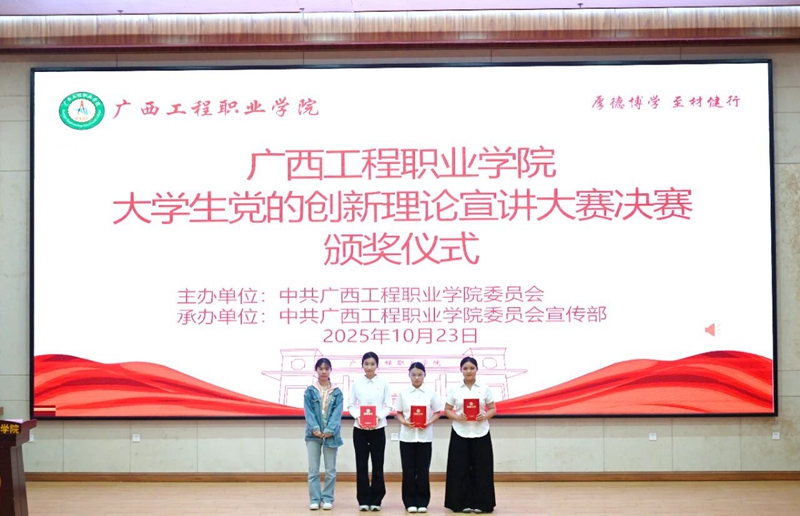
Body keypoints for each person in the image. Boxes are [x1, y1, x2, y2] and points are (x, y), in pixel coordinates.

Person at [444, 356, 497, 514]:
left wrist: (485, 416)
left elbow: (493, 409)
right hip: (460, 432)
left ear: (476, 370)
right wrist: (456, 417)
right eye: (465, 368)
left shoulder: (484, 388)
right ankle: (461, 503)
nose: (469, 371)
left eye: (472, 368)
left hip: (481, 432)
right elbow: (447, 410)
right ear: (461, 370)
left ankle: (482, 504)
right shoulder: (455, 389)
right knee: (459, 469)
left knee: (482, 469)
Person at [394, 362, 444, 514]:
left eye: (420, 374)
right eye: (414, 375)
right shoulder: (403, 393)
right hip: (407, 437)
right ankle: (409, 502)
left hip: (425, 437)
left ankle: (422, 501)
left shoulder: (431, 393)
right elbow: (399, 412)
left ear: (424, 375)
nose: (416, 378)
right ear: (409, 375)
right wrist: (404, 422)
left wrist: (429, 422)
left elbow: (438, 411)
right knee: (408, 470)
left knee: (423, 470)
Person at [348, 351, 393, 511]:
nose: (369, 367)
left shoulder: (384, 383)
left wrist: (378, 417)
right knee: (361, 465)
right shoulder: (356, 383)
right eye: (366, 364)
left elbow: (389, 406)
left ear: (377, 365)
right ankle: (363, 500)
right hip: (359, 429)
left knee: (377, 465)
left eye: (372, 364)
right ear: (362, 365)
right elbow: (351, 405)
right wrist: (358, 417)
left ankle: (376, 500)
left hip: (378, 429)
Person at [304, 357, 344, 511]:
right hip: (313, 435)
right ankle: (315, 499)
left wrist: (329, 430)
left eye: (326, 368)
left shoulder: (337, 392)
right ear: (316, 370)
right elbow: (308, 412)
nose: (323, 371)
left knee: (330, 470)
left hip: (331, 436)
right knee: (313, 470)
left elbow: (337, 414)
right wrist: (315, 428)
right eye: (320, 369)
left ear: (330, 370)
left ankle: (327, 498)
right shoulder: (310, 391)